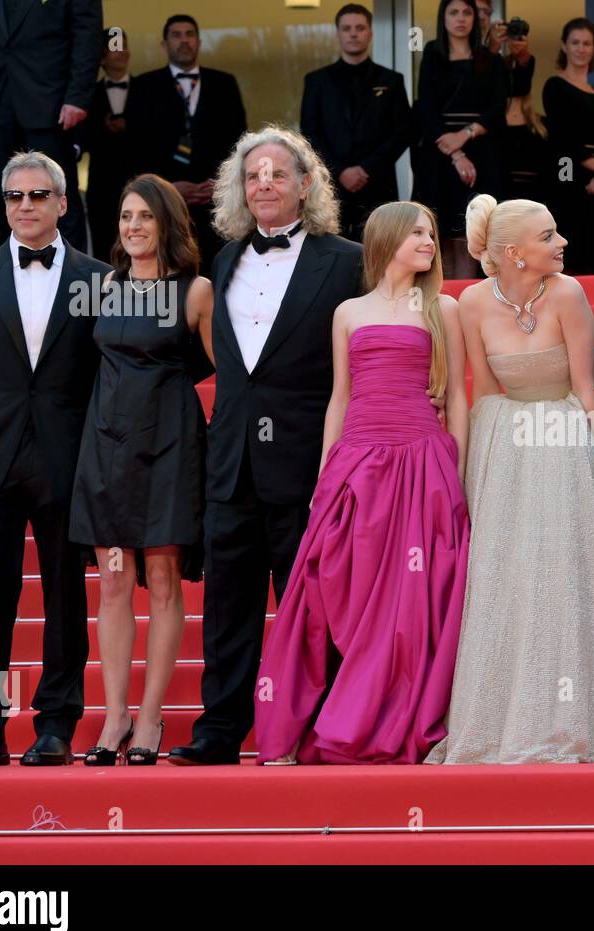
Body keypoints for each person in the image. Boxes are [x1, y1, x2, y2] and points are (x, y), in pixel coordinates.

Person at [426, 195, 594, 764]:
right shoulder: (470, 301)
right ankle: (507, 714)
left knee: (571, 572)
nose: (562, 243)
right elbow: (483, 393)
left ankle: (581, 711)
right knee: (511, 575)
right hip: (507, 443)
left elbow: (584, 387)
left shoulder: (568, 293)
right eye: (548, 236)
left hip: (569, 436)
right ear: (515, 254)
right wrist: (472, 470)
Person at [166, 127, 364, 766]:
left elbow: (363, 360)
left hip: (308, 460)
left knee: (315, 607)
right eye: (254, 176)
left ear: (307, 185)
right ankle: (220, 730)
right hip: (231, 464)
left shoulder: (347, 260)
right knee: (227, 607)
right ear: (239, 188)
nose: (265, 184)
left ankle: (327, 727)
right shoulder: (224, 261)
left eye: (279, 173)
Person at [254, 202, 469, 765]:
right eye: (418, 232)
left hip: (423, 463)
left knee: (411, 601)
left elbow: (462, 399)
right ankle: (304, 720)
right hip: (356, 462)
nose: (429, 240)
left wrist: (460, 475)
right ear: (387, 238)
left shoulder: (444, 308)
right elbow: (340, 398)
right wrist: (326, 474)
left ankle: (391, 718)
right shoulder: (348, 311)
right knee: (327, 585)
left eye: (430, 230)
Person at [0, 151, 105, 766]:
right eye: (14, 196)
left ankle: (56, 724)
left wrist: (101, 463)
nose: (25, 206)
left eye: (38, 195)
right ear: (2, 203)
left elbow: (111, 379)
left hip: (68, 463)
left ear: (63, 202)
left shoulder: (97, 279)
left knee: (67, 599)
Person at [70, 174, 214, 767]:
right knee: (111, 582)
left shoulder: (196, 290)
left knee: (161, 582)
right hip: (107, 452)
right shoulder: (105, 287)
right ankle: (115, 718)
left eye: (144, 217)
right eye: (126, 216)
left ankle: (151, 718)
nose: (132, 227)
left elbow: (222, 370)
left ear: (167, 224)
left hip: (171, 450)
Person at [0, 0, 101, 251]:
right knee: (2, 201)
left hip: (49, 104)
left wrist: (77, 97)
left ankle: (73, 284)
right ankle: (6, 282)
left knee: (58, 200)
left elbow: (87, 37)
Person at [126, 15, 248, 274]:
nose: (184, 41)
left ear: (199, 42)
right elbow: (135, 147)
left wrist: (221, 183)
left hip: (215, 202)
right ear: (164, 44)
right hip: (163, 205)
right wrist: (167, 187)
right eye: (176, 35)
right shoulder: (143, 87)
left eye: (189, 34)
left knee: (218, 273)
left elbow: (239, 141)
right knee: (169, 275)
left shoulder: (224, 83)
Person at [410, 0, 509, 278]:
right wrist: (455, 152)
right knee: (438, 232)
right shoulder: (432, 54)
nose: (461, 19)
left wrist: (465, 135)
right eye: (454, 12)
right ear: (444, 18)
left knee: (470, 233)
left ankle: (467, 301)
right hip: (439, 153)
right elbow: (425, 108)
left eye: (467, 13)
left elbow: (497, 109)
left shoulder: (491, 60)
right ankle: (441, 305)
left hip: (480, 150)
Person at [300, 4, 411, 242]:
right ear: (337, 33)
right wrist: (339, 171)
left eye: (360, 28)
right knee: (332, 254)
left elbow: (402, 132)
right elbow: (310, 133)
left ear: (370, 33)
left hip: (378, 183)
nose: (353, 33)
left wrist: (365, 169)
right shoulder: (317, 81)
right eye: (347, 28)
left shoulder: (391, 80)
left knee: (381, 252)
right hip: (329, 185)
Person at [543, 18, 594, 275]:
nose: (581, 48)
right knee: (570, 252)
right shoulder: (555, 86)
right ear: (564, 46)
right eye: (575, 42)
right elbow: (564, 137)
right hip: (569, 181)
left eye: (587, 43)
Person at [81, 35, 135, 262]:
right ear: (101, 58)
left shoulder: (148, 89)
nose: (122, 52)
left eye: (124, 46)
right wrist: (101, 128)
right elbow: (80, 139)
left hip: (138, 180)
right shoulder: (86, 94)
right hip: (101, 185)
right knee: (104, 247)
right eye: (114, 47)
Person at [496, 21, 549, 202]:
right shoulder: (489, 123)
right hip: (498, 198)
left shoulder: (540, 125)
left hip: (533, 203)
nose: (515, 75)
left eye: (520, 68)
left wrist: (523, 54)